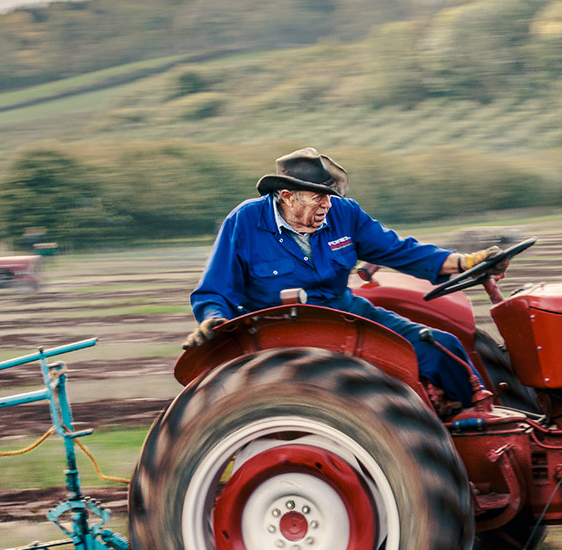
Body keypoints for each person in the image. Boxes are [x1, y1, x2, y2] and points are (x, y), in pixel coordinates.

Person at [185, 148, 505, 410]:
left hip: (344, 311)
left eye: (329, 195)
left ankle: (476, 421)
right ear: (286, 196)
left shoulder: (344, 213)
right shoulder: (245, 221)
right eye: (318, 196)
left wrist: (462, 262)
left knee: (442, 346)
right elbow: (214, 289)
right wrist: (214, 318)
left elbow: (399, 250)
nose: (327, 203)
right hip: (278, 329)